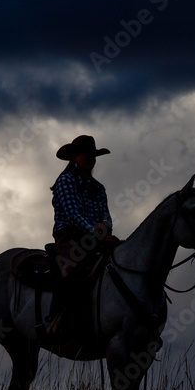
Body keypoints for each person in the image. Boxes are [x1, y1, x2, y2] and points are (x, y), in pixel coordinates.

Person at [46, 135, 119, 331]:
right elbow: (72, 215)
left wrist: (105, 228)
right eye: (85, 155)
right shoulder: (66, 181)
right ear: (75, 157)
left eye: (92, 155)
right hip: (68, 235)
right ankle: (54, 318)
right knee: (72, 265)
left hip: (96, 237)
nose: (90, 159)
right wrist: (97, 233)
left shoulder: (99, 188)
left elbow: (107, 216)